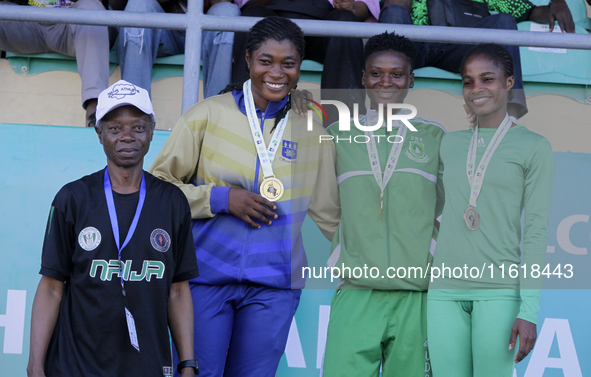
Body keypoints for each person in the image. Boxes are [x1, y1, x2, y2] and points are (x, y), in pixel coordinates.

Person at [149, 16, 340, 377]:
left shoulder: (313, 130)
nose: (277, 73)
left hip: (275, 288)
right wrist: (221, 199)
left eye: (289, 63)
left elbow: (330, 214)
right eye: (266, 61)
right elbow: (159, 188)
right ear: (249, 60)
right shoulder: (207, 114)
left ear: (300, 67)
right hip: (204, 278)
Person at [27, 80, 199, 377]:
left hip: (148, 366)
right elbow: (52, 288)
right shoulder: (73, 198)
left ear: (151, 131)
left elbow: (178, 291)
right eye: (115, 128)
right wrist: (35, 365)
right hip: (76, 366)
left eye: (138, 127)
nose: (127, 136)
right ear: (99, 134)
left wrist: (187, 363)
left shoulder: (172, 202)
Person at [321, 31, 445, 376]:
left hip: (416, 295)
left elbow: (447, 209)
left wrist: (429, 254)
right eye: (376, 73)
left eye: (397, 73)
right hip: (358, 292)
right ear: (363, 78)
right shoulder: (337, 136)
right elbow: (323, 206)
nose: (385, 81)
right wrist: (348, 249)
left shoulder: (435, 137)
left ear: (411, 80)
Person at [427, 44, 555, 376]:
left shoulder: (534, 146)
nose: (476, 89)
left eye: (488, 79)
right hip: (444, 292)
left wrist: (529, 310)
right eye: (468, 81)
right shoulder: (449, 143)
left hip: (499, 292)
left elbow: (537, 230)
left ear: (509, 82)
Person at [378, 0, 575, 120]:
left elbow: (530, 12)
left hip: (460, 49)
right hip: (414, 46)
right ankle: (384, 110)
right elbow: (391, 13)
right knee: (394, 11)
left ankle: (510, 116)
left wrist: (555, 3)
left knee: (504, 21)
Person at [231, 0, 380, 125]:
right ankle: (245, 118)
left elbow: (364, 7)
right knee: (253, 15)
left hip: (326, 23)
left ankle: (344, 126)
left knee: (345, 21)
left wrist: (351, 6)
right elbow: (241, 5)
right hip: (271, 20)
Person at [0, 0, 114, 127]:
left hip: (72, 24)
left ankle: (95, 109)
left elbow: (115, 5)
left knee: (91, 7)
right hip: (28, 21)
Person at [111, 0, 241, 99]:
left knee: (227, 10)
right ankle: (133, 110)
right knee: (138, 4)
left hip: (206, 34)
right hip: (163, 32)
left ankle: (218, 115)